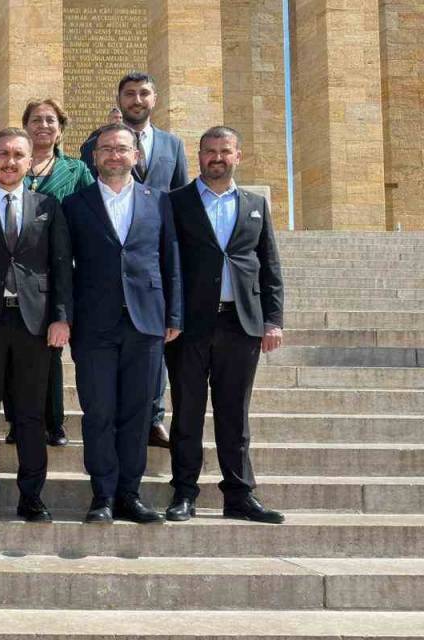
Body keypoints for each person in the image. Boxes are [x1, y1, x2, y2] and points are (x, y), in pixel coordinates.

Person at [165, 126, 285, 524]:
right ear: (198, 156)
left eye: (225, 151)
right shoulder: (176, 202)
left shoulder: (255, 204)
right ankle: (184, 492)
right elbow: (167, 264)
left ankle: (239, 495)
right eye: (209, 151)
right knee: (187, 413)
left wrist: (273, 320)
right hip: (190, 327)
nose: (217, 157)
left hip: (241, 323)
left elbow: (269, 265)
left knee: (235, 413)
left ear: (238, 156)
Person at [63, 124, 182, 525]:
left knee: (136, 413)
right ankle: (103, 495)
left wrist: (174, 315)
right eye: (106, 149)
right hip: (94, 325)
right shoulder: (75, 204)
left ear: (137, 156)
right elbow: (64, 269)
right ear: (94, 157)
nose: (114, 155)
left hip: (145, 323)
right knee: (98, 412)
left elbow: (171, 261)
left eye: (122, 149)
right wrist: (64, 317)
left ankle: (130, 494)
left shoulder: (159, 201)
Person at [0, 128, 73, 522]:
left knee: (30, 415)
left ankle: (31, 497)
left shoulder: (48, 206)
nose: (10, 162)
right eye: (3, 154)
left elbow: (60, 266)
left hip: (34, 324)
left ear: (30, 162)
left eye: (18, 155)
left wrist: (61, 316)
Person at [81, 73, 192, 447]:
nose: (137, 99)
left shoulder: (173, 145)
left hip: (151, 257)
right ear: (120, 99)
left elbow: (178, 199)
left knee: (150, 352)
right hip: (107, 268)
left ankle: (154, 416)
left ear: (154, 98)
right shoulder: (94, 144)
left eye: (144, 93)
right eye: (129, 94)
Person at [0, 99, 94, 448]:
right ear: (26, 126)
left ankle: (53, 421)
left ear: (60, 128)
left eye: (50, 120)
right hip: (12, 278)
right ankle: (18, 420)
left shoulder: (76, 170)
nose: (43, 126)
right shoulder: (6, 168)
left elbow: (90, 213)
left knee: (50, 353)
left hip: (56, 270)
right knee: (16, 359)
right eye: (35, 120)